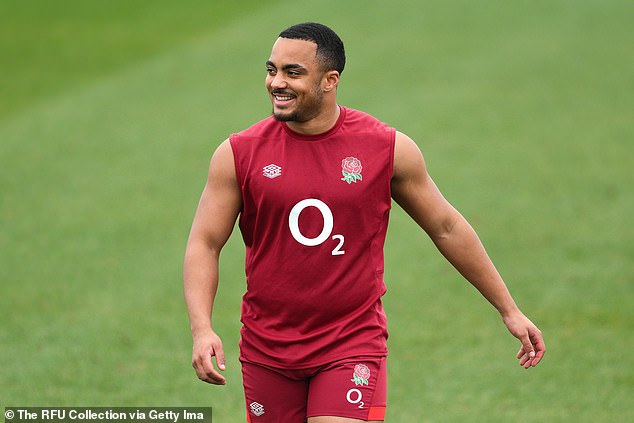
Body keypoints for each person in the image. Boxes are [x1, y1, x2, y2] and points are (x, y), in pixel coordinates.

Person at [183, 22, 545, 423]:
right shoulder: (239, 153)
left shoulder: (386, 148)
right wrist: (202, 328)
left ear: (330, 80)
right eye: (272, 70)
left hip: (350, 342)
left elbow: (446, 227)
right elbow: (205, 242)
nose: (276, 83)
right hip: (267, 348)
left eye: (293, 72)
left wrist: (508, 310)